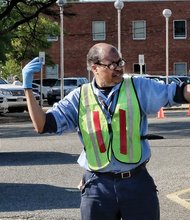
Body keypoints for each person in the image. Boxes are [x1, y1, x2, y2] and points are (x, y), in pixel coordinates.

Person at [22, 43, 190, 220]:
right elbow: (42, 125)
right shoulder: (79, 97)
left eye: (120, 62)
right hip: (97, 187)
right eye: (112, 65)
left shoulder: (137, 87)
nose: (119, 68)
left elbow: (177, 92)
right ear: (95, 68)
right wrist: (27, 88)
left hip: (137, 183)